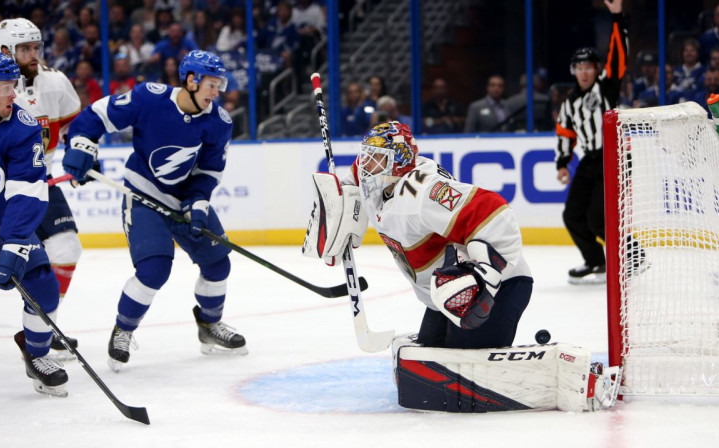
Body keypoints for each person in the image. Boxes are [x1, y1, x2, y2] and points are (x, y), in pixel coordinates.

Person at [302, 122, 620, 412]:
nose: (367, 165)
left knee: (463, 366)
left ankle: (570, 375)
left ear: (398, 161)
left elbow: (495, 213)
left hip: (500, 286)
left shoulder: (421, 191)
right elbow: (352, 181)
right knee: (429, 360)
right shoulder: (376, 178)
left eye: (375, 158)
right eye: (366, 156)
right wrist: (340, 209)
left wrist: (486, 276)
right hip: (446, 296)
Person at [61, 50, 247, 372]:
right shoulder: (150, 98)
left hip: (183, 199)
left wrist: (198, 201)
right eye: (212, 85)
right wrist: (82, 145)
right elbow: (97, 116)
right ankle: (123, 331)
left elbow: (209, 171)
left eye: (220, 85)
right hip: (144, 195)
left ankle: (209, 325)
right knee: (154, 269)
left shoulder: (218, 123)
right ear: (191, 80)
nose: (217, 93)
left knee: (218, 263)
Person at [0, 18, 83, 359]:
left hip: (38, 180)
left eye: (36, 47)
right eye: (24, 49)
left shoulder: (55, 82)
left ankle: (43, 327)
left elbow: (76, 126)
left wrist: (83, 150)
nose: (33, 54)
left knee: (66, 250)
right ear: (5, 50)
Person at [0, 50, 69, 397]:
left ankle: (36, 354)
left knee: (42, 285)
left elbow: (28, 191)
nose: (13, 94)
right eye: (4, 86)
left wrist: (14, 242)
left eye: (13, 84)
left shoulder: (22, 124)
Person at [555, 0, 628, 284]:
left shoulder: (607, 86)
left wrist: (617, 17)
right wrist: (562, 163)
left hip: (613, 155)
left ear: (597, 69)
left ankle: (633, 255)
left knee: (598, 218)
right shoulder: (570, 102)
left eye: (589, 66)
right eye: (579, 66)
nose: (584, 71)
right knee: (572, 216)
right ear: (573, 70)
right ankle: (596, 261)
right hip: (589, 161)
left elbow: (619, 54)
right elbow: (565, 133)